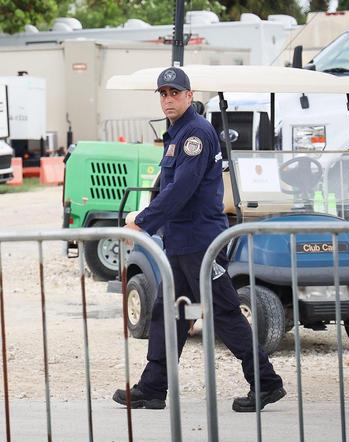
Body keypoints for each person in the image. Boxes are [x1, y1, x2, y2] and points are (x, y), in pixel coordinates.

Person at [112, 67, 285, 411]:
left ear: (189, 96)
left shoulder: (195, 134)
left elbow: (181, 190)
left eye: (175, 92)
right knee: (167, 312)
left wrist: (142, 222)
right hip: (182, 243)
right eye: (162, 93)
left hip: (200, 244)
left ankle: (266, 382)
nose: (168, 99)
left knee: (224, 314)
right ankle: (153, 387)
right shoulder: (177, 132)